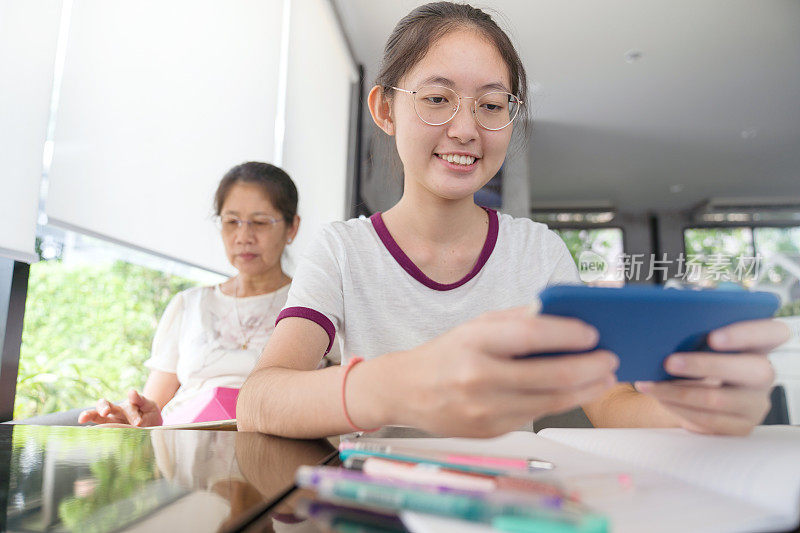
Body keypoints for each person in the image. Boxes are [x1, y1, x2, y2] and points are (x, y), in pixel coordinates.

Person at [237, 2, 789, 439]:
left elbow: (610, 401)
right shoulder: (341, 251)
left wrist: (694, 415)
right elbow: (260, 399)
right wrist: (399, 385)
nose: (465, 129)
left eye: (492, 105)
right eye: (437, 98)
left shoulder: (538, 254)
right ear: (385, 110)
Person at [79, 162, 314, 427]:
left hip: (268, 445)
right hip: (183, 448)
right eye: (231, 221)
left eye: (259, 222)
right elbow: (153, 406)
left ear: (292, 228)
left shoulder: (311, 306)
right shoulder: (189, 305)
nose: (243, 236)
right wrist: (134, 416)